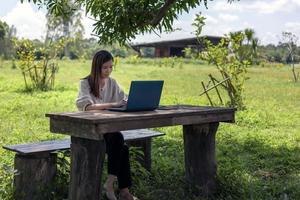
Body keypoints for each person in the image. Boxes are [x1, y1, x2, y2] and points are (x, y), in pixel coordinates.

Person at [76, 50, 138, 200]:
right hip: (90, 129)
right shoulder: (85, 83)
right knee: (118, 139)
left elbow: (124, 98)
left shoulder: (113, 83)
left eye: (111, 67)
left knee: (121, 146)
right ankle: (116, 188)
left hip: (107, 128)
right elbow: (86, 106)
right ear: (96, 67)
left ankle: (120, 189)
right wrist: (114, 104)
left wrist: (132, 100)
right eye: (105, 67)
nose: (108, 71)